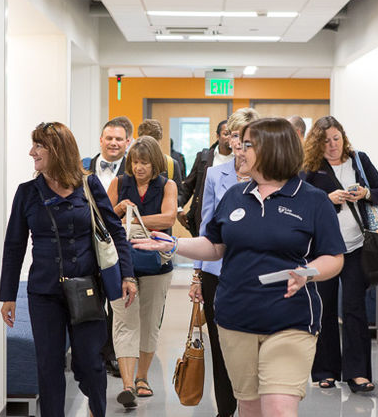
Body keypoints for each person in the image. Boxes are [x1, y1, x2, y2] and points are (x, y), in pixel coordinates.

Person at [133, 118, 346, 417]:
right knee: (249, 407)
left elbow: (334, 257)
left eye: (247, 145)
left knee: (279, 409)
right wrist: (174, 244)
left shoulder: (312, 200)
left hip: (290, 319)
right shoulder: (236, 195)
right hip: (236, 318)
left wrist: (307, 272)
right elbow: (215, 246)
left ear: (273, 150)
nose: (238, 150)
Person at [0, 122, 137, 417]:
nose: (31, 152)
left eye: (39, 146)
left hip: (86, 288)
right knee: (48, 366)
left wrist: (127, 275)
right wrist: (8, 295)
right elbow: (14, 246)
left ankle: (97, 411)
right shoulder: (27, 193)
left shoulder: (89, 186)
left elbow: (114, 231)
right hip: (44, 293)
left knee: (90, 364)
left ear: (58, 151)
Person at [301, 115, 378, 393]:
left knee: (354, 309)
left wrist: (365, 193)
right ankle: (325, 370)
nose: (332, 145)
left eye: (336, 138)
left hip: (356, 247)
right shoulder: (311, 169)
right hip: (325, 250)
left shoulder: (359, 161)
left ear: (344, 137)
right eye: (326, 141)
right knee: (325, 309)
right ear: (317, 144)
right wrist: (326, 200)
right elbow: (300, 202)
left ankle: (357, 373)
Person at [187, 109, 258, 417]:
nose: (239, 146)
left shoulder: (269, 178)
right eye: (235, 138)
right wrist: (197, 275)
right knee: (220, 345)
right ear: (228, 139)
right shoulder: (216, 174)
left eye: (247, 140)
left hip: (257, 275)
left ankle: (253, 407)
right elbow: (206, 226)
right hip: (218, 273)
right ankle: (226, 410)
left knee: (254, 349)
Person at [107, 136, 178, 408]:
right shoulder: (119, 183)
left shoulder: (167, 185)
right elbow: (103, 218)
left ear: (155, 163)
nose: (139, 168)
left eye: (145, 163)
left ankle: (142, 378)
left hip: (156, 265)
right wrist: (118, 209)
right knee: (124, 321)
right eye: (135, 162)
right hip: (122, 263)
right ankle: (126, 384)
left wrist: (129, 219)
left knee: (149, 323)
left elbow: (168, 218)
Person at [82, 117, 133, 377]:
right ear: (101, 140)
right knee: (90, 300)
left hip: (119, 244)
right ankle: (94, 353)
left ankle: (113, 354)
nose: (113, 143)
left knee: (117, 300)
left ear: (128, 142)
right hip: (86, 245)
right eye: (109, 138)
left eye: (118, 139)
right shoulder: (81, 169)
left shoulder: (134, 172)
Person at [177, 119, 233, 236]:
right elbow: (188, 186)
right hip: (205, 216)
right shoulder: (204, 158)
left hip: (231, 215)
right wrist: (178, 208)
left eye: (234, 135)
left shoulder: (240, 159)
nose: (230, 138)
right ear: (217, 136)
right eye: (226, 134)